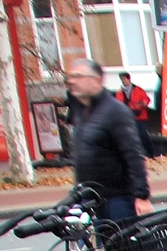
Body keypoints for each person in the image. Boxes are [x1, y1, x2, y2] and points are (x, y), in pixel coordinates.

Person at [64, 60, 153, 223]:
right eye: (70, 77)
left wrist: (142, 196)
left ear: (97, 80)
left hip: (117, 200)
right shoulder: (82, 111)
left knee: (122, 239)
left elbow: (133, 155)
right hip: (90, 198)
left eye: (78, 76)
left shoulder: (115, 111)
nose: (72, 81)